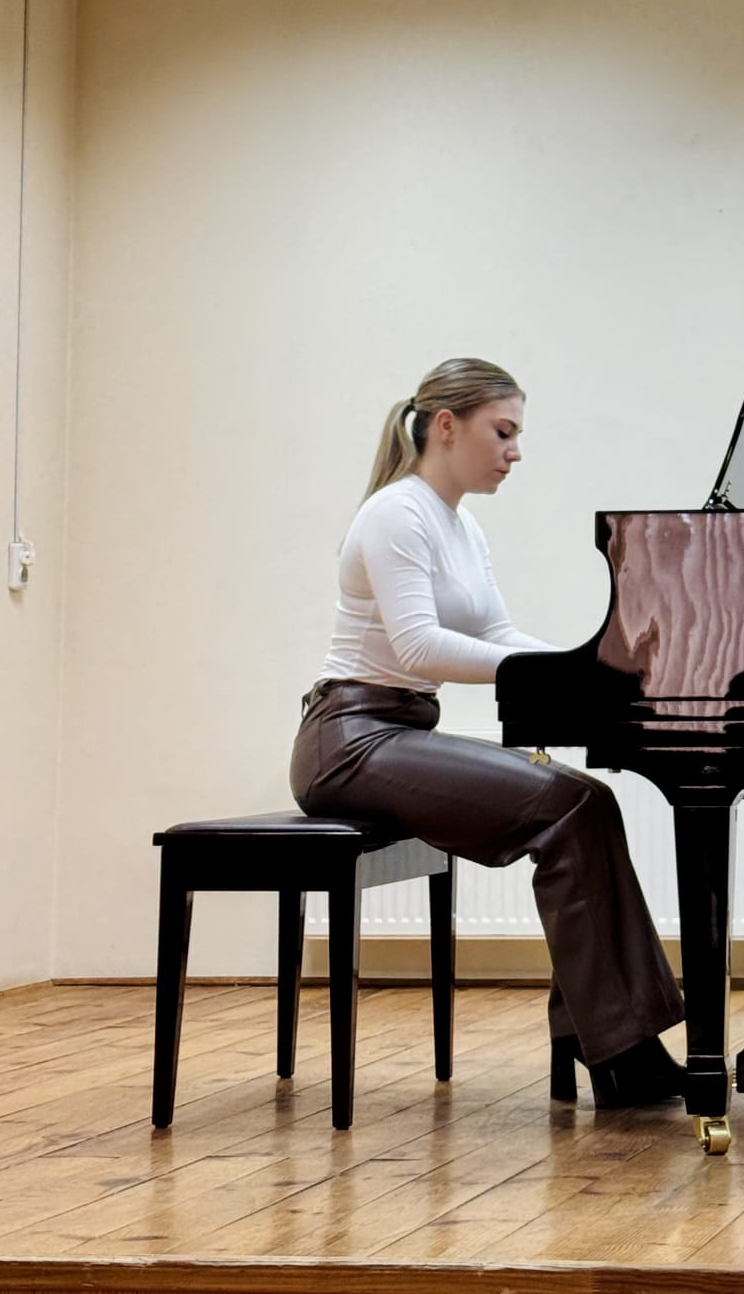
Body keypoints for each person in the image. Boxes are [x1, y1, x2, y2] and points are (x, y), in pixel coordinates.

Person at [290, 356, 685, 1107]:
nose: (516, 451)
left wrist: (586, 665)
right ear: (446, 426)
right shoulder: (396, 513)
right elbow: (418, 647)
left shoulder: (461, 525)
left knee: (586, 804)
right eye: (503, 432)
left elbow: (498, 634)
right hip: (349, 741)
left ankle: (608, 1040)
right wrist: (566, 675)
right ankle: (619, 1049)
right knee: (573, 805)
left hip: (394, 732)